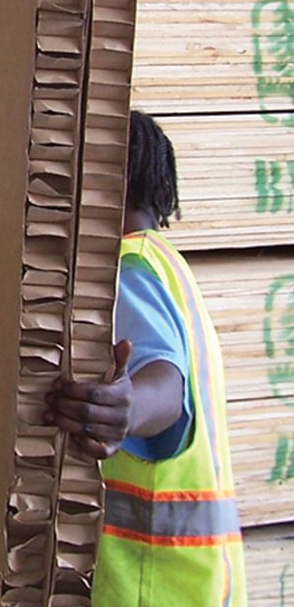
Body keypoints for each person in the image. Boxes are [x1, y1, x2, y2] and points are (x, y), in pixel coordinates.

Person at [44, 110, 247, 605]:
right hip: (197, 580)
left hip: (149, 586)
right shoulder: (168, 266)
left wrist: (127, 407)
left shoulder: (123, 271)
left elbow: (167, 385)